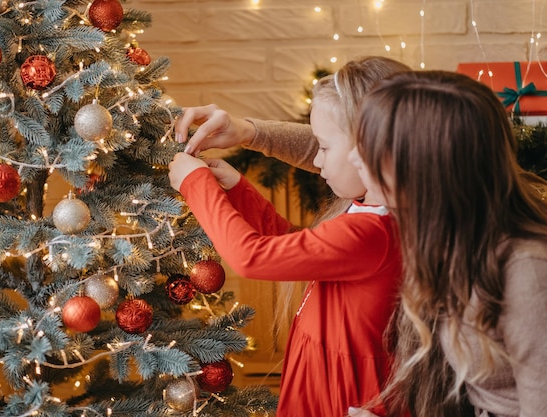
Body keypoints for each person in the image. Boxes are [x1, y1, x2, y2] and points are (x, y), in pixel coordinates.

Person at [168, 56, 409, 417]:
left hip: (346, 400)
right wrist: (236, 191)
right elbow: (294, 245)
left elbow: (252, 257)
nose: (317, 161)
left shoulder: (375, 231)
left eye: (324, 148)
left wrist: (195, 183)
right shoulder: (363, 212)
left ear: (370, 149)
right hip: (320, 384)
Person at [347, 70, 547, 417]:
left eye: (368, 149)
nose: (352, 158)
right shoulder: (454, 228)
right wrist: (251, 133)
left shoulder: (528, 273)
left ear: (421, 168)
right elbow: (326, 153)